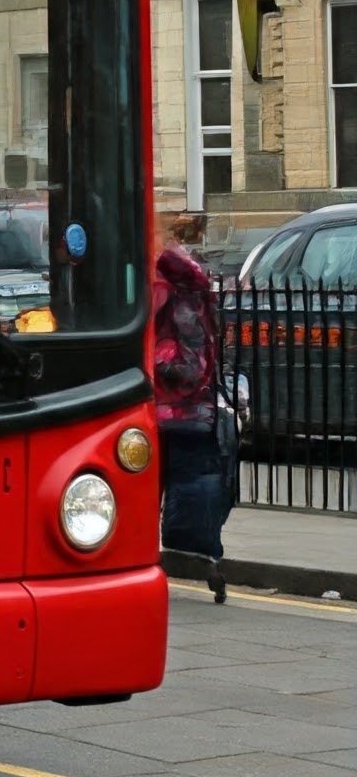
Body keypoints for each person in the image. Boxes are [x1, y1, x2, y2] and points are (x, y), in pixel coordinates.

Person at [153, 243, 234, 601]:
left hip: (181, 419)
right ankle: (203, 562)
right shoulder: (190, 303)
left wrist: (152, 362)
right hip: (182, 419)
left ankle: (195, 559)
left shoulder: (184, 308)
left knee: (179, 496)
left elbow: (189, 371)